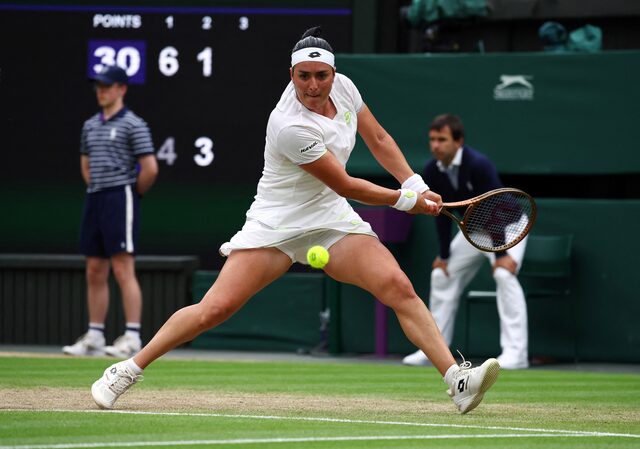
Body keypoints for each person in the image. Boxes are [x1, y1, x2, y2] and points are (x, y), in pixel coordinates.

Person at [90, 27, 500, 414]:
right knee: (214, 309)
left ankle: (457, 381)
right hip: (277, 224)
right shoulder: (287, 125)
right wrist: (406, 199)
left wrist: (414, 181)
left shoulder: (346, 87)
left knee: (398, 286)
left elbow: (378, 139)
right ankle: (127, 369)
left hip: (330, 219)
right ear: (291, 74)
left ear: (334, 73)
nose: (313, 85)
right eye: (304, 76)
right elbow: (347, 185)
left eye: (321, 75)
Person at [402, 114, 529, 370]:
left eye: (442, 139)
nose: (435, 145)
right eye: (432, 140)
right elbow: (440, 214)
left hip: (508, 225)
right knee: (441, 275)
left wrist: (501, 254)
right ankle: (433, 350)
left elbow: (494, 208)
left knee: (504, 276)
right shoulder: (431, 170)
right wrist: (444, 255)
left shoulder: (479, 165)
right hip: (473, 229)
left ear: (458, 141)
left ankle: (517, 354)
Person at [63, 65, 159, 358]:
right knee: (94, 269)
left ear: (121, 89)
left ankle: (131, 336)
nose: (101, 91)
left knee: (122, 266)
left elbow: (150, 168)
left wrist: (130, 193)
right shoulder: (90, 125)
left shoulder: (134, 124)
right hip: (95, 198)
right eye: (99, 87)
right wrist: (98, 188)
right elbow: (85, 165)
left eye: (107, 86)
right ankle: (94, 334)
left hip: (121, 198)